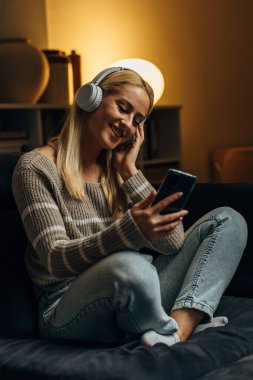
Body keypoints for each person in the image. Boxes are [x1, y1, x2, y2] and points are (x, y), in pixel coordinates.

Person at [12, 67, 248, 347]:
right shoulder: (35, 167)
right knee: (132, 265)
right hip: (66, 309)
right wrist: (130, 231)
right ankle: (175, 325)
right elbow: (55, 258)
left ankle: (177, 331)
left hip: (129, 293)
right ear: (91, 99)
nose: (127, 124)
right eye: (123, 108)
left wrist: (130, 171)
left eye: (137, 120)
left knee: (228, 220)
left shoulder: (116, 172)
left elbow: (173, 243)